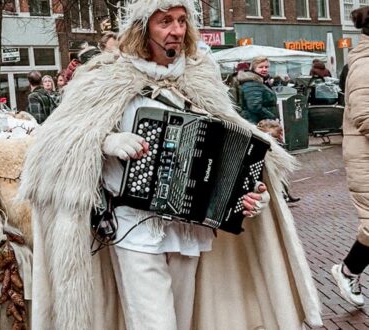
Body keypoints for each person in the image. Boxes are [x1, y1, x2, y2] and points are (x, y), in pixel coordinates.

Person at [19, 1, 322, 329]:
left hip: (187, 232)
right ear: (143, 27)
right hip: (134, 228)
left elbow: (227, 152)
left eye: (181, 20)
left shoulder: (199, 80)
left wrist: (247, 196)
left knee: (182, 322)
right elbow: (55, 145)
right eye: (165, 21)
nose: (176, 30)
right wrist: (105, 143)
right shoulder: (105, 78)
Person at [331, 5, 369, 308]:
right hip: (365, 160)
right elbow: (365, 116)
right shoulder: (365, 63)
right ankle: (347, 271)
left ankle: (349, 270)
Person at [237, 56, 279, 124]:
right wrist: (272, 118)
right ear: (254, 68)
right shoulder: (252, 82)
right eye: (261, 67)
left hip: (262, 122)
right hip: (257, 123)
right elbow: (254, 106)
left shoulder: (260, 81)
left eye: (266, 67)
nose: (264, 69)